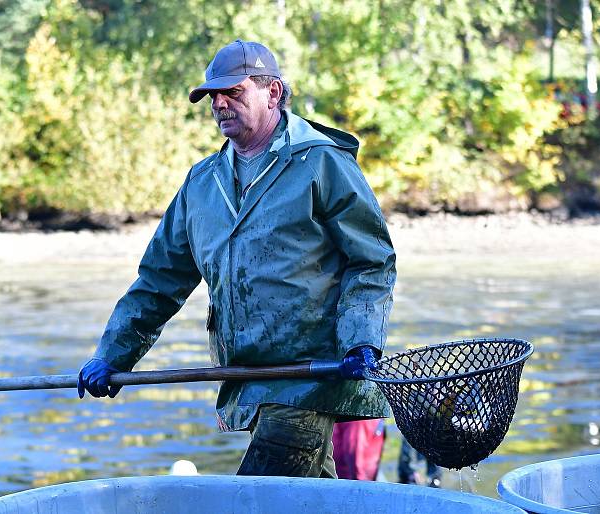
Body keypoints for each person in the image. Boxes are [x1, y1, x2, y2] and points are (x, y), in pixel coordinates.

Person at [77, 39, 396, 478]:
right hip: (247, 379)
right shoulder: (202, 182)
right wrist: (112, 356)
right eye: (213, 96)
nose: (220, 104)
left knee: (256, 497)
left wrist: (362, 340)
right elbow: (159, 282)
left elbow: (372, 260)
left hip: (312, 379)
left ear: (273, 93)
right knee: (311, 503)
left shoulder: (322, 163)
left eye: (234, 92)